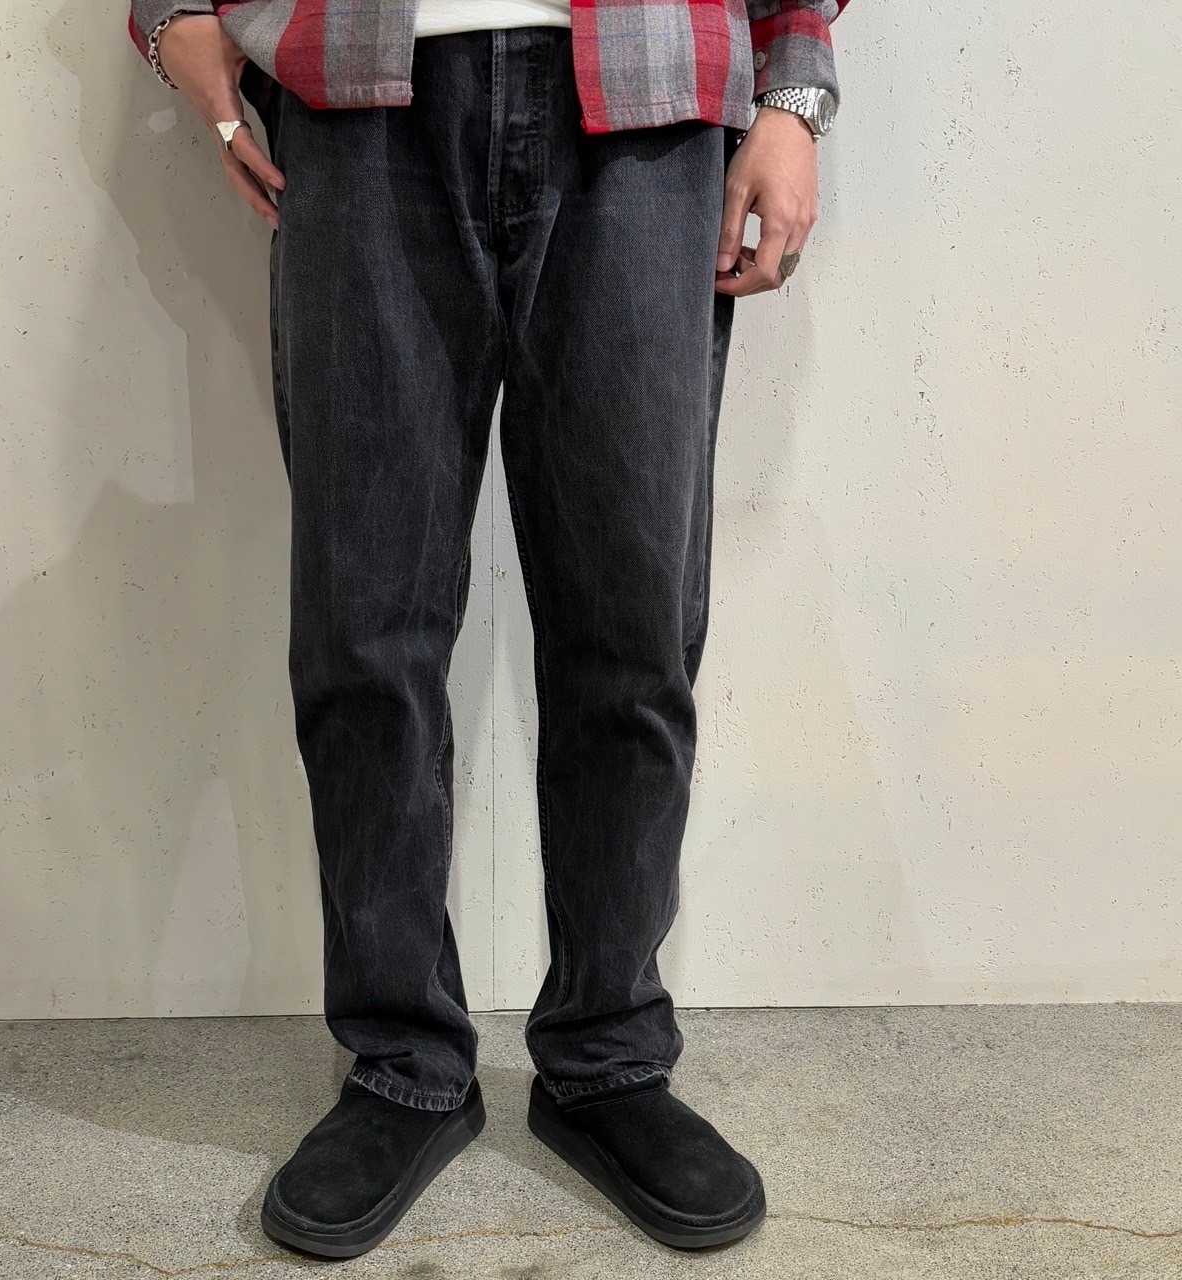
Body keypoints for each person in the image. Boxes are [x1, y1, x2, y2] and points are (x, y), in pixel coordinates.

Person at [129, 0, 850, 1258]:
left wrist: (792, 96)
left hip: (645, 102)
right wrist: (171, 15)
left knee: (629, 626)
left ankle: (609, 1054)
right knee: (366, 628)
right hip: (359, 102)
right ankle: (400, 1063)